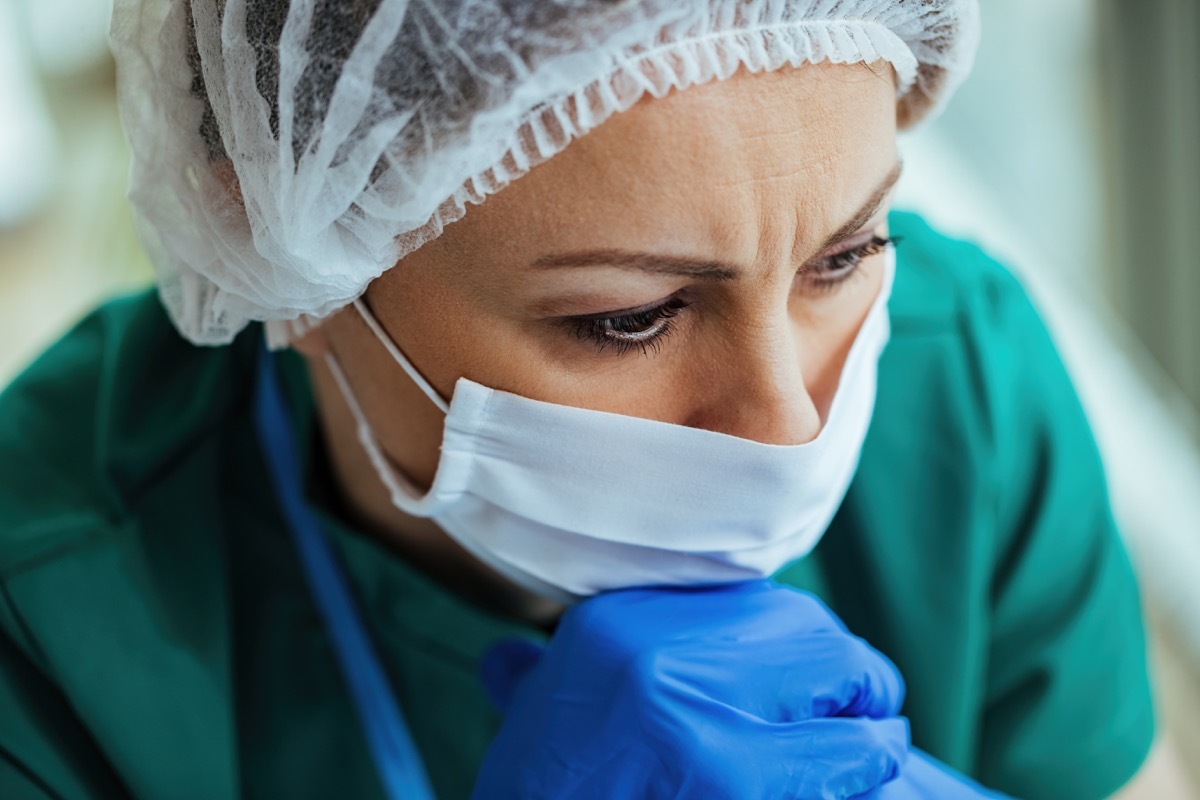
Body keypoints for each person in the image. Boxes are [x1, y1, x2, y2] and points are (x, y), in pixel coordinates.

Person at [0, 0, 1188, 797]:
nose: (789, 419)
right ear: (277, 238)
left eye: (842, 255)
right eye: (628, 318)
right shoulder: (50, 608)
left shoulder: (966, 384)